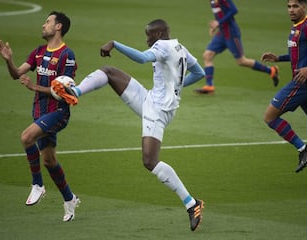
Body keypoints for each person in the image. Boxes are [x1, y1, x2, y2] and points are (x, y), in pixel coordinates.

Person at [51, 19, 205, 231]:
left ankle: (191, 203)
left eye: (148, 35)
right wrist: (175, 87)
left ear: (158, 34)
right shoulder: (181, 48)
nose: (147, 39)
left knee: (150, 161)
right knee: (109, 72)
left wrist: (114, 43)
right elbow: (200, 74)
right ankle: (75, 92)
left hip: (158, 111)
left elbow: (142, 58)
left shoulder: (160, 46)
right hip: (151, 101)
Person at [0, 11, 80, 221]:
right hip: (39, 112)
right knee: (50, 161)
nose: (44, 25)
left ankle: (38, 185)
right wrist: (9, 60)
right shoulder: (39, 52)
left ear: (58, 26)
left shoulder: (66, 55)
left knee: (26, 137)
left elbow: (65, 91)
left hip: (58, 112)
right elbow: (17, 74)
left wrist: (34, 86)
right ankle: (70, 199)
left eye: (48, 21)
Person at [194, 0, 280, 94]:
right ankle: (209, 86)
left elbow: (233, 10)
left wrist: (219, 23)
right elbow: (220, 15)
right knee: (207, 55)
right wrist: (215, 26)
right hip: (221, 34)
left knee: (241, 61)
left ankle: (271, 70)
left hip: (231, 34)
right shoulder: (212, 1)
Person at [261, 0, 307, 173]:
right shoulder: (297, 27)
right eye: (289, 7)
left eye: (295, 6)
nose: (291, 10)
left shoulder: (306, 26)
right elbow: (299, 53)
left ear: (304, 7)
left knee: (270, 117)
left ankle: (303, 149)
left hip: (301, 84)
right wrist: (279, 58)